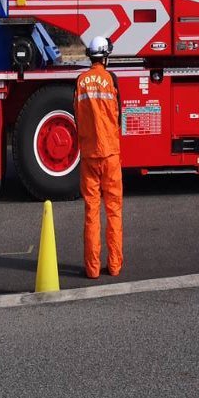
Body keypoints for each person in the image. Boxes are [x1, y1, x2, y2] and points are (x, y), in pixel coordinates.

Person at [75, 36, 123, 279]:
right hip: (110, 154)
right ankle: (114, 266)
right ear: (105, 56)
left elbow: (77, 116)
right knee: (113, 211)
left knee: (91, 212)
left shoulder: (80, 81)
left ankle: (92, 269)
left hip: (89, 155)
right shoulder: (111, 79)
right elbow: (118, 114)